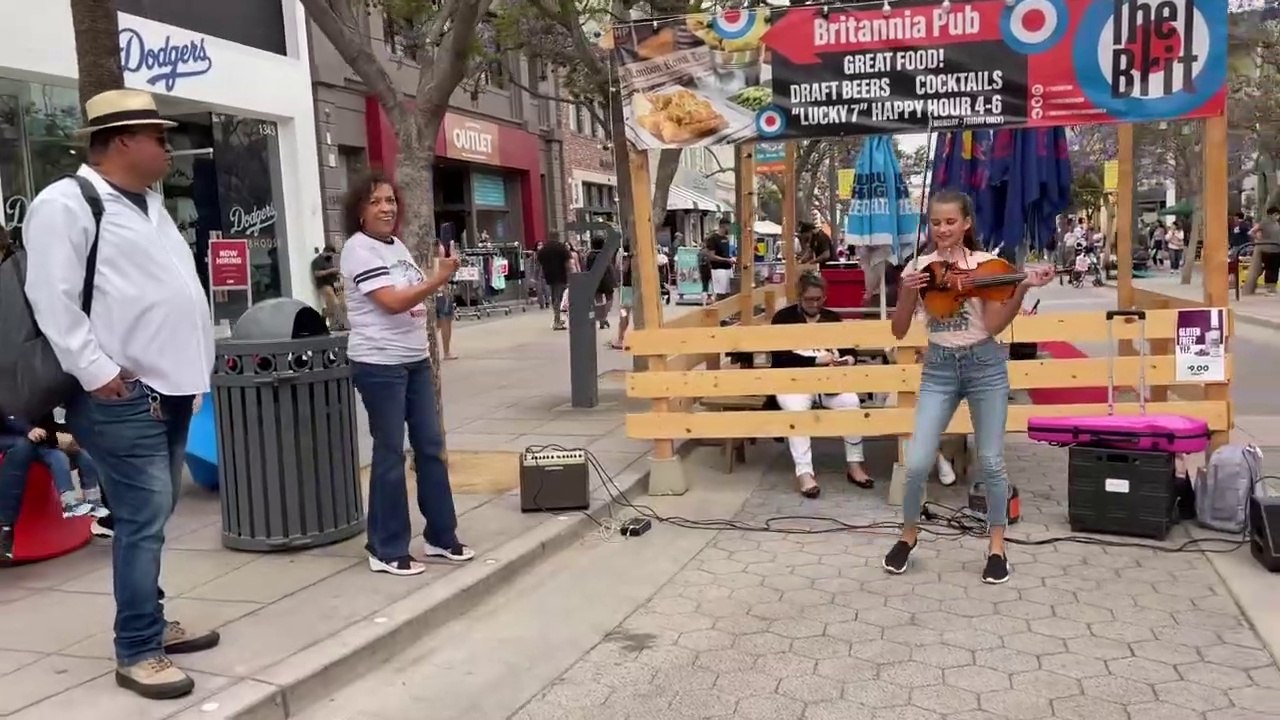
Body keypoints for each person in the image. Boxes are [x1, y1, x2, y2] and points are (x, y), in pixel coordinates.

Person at [23, 89, 218, 699]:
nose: (168, 146)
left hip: (171, 386)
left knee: (152, 518)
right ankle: (137, 648)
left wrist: (197, 374)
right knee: (140, 521)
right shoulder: (68, 202)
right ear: (120, 141)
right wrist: (96, 370)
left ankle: (152, 622)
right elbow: (50, 297)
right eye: (158, 136)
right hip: (121, 393)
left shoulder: (151, 205)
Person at [883, 189, 1054, 585]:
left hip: (985, 366)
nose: (942, 229)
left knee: (992, 462)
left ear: (966, 224)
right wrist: (907, 290)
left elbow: (994, 325)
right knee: (918, 462)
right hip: (939, 368)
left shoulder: (987, 266)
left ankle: (997, 547)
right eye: (936, 222)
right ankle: (907, 536)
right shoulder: (920, 267)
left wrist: (1023, 287)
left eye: (950, 222)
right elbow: (899, 328)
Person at [339, 171, 474, 579]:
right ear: (360, 211)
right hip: (380, 363)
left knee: (431, 447)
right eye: (376, 202)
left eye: (390, 201)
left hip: (414, 360)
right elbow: (393, 302)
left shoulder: (395, 246)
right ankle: (386, 546)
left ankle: (440, 534)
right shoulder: (358, 250)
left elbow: (411, 297)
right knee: (390, 453)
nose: (386, 208)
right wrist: (436, 280)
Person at [769, 272, 876, 497]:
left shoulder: (832, 318)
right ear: (799, 297)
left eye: (819, 299)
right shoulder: (783, 318)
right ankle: (805, 473)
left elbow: (850, 350)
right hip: (794, 382)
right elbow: (780, 358)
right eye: (809, 299)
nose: (815, 304)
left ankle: (855, 465)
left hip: (830, 381)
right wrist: (816, 360)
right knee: (797, 413)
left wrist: (847, 359)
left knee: (851, 402)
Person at [0, 410, 104, 518]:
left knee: (83, 456)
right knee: (58, 457)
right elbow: (10, 422)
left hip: (44, 441)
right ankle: (69, 503)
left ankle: (92, 501)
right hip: (24, 442)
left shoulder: (42, 405)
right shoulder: (12, 404)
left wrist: (65, 438)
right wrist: (29, 430)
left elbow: (50, 425)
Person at [536, 232, 571, 330]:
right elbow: (568, 262)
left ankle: (557, 319)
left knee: (554, 297)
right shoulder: (561, 248)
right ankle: (557, 320)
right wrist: (571, 274)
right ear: (557, 236)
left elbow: (539, 263)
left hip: (549, 276)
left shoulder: (544, 249)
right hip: (561, 275)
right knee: (559, 298)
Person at [311, 244, 346, 330]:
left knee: (342, 303)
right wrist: (330, 271)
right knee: (334, 303)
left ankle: (334, 320)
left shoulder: (329, 260)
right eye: (330, 254)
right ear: (326, 252)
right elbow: (317, 274)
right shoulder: (317, 261)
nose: (331, 257)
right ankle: (333, 324)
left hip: (333, 283)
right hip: (323, 284)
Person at [435, 234, 458, 359]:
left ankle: (445, 350)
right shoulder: (441, 262)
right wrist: (453, 249)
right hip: (441, 292)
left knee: (441, 322)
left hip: (439, 291)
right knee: (444, 321)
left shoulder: (437, 262)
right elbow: (454, 264)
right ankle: (446, 351)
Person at [587, 235, 617, 330]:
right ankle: (604, 317)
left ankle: (601, 319)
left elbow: (587, 268)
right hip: (606, 279)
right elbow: (610, 268)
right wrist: (614, 280)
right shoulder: (605, 254)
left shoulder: (590, 255)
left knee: (598, 300)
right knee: (610, 298)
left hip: (594, 279)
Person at [702, 217, 734, 300]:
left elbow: (725, 254)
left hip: (728, 268)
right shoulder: (713, 238)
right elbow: (712, 256)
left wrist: (731, 258)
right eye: (728, 226)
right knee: (720, 293)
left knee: (728, 293)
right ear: (723, 226)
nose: (729, 228)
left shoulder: (726, 239)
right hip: (718, 269)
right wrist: (726, 260)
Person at [1252, 206, 1280, 295]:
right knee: (1270, 269)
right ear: (1273, 214)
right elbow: (1252, 231)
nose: (1278, 216)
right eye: (1276, 214)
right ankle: (1269, 288)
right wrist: (1259, 239)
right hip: (1268, 250)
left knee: (1275, 269)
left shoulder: (1276, 223)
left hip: (1277, 249)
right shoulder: (1265, 222)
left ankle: (1273, 287)